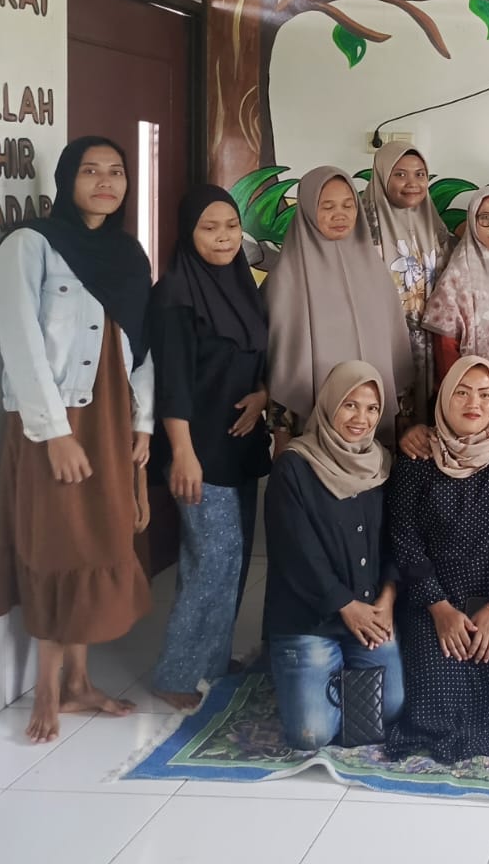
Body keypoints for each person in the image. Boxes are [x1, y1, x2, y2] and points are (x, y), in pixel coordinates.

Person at [0, 136, 155, 744]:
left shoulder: (128, 254)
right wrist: (54, 433)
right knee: (56, 544)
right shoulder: (29, 245)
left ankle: (80, 682)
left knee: (99, 541)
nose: (105, 182)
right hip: (56, 419)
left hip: (110, 416)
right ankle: (47, 686)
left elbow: (143, 345)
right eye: (90, 171)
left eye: (116, 172)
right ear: (66, 180)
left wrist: (142, 423)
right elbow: (20, 342)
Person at [387, 357, 489, 762]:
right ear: (444, 397)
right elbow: (405, 541)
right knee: (437, 690)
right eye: (463, 392)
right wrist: (439, 608)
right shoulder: (418, 460)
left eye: (485, 394)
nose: (475, 403)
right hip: (434, 593)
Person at [148, 185, 271, 710]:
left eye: (231, 226)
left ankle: (213, 660)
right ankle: (177, 675)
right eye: (209, 227)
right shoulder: (175, 294)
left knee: (232, 558)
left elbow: (257, 355)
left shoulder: (242, 283)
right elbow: (171, 382)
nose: (224, 238)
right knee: (210, 559)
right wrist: (182, 452)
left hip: (238, 443)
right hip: (197, 448)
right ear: (188, 232)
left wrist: (264, 394)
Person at [264, 362, 404, 750]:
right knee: (312, 734)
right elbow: (296, 553)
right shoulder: (294, 466)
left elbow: (395, 541)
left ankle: (327, 678)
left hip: (369, 613)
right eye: (350, 405)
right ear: (329, 404)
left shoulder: (381, 464)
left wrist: (387, 599)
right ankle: (308, 678)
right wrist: (344, 605)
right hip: (309, 619)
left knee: (391, 707)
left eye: (372, 408)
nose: (361, 418)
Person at [265, 165, 413, 449]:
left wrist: (404, 415)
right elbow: (281, 364)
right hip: (313, 429)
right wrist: (281, 436)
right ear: (308, 210)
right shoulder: (287, 278)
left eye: (348, 205)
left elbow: (395, 351)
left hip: (374, 425)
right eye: (327, 206)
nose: (340, 215)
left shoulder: (375, 271)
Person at [360, 141, 451, 426]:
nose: (412, 183)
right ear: (381, 176)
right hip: (381, 344)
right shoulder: (363, 227)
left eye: (420, 174)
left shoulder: (435, 226)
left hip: (429, 347)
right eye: (400, 174)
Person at [424, 184, 489, 371]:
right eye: (486, 218)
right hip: (472, 380)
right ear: (472, 221)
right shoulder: (456, 276)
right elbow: (445, 346)